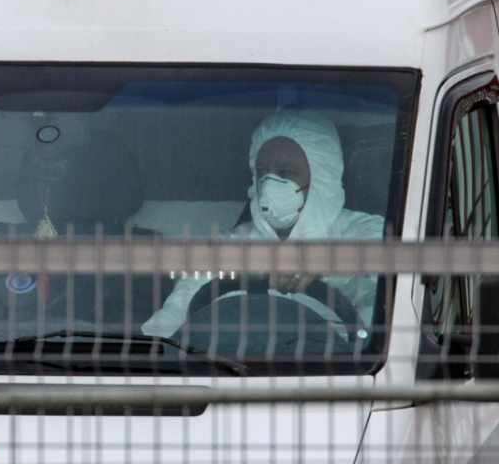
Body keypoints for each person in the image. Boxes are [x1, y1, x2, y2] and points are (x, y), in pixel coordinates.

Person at [141, 112, 384, 338]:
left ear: (320, 175)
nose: (269, 182)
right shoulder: (232, 244)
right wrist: (150, 349)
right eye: (263, 171)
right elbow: (179, 309)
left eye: (285, 172)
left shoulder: (359, 229)